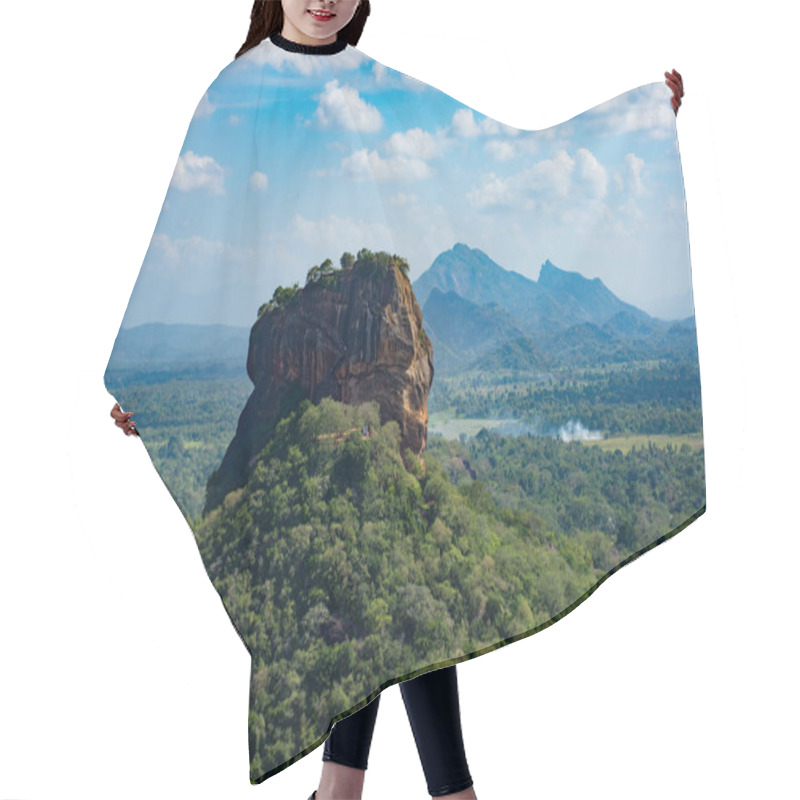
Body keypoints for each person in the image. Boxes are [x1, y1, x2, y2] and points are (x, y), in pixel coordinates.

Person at [110, 2, 686, 798]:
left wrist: (640, 122)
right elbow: (191, 232)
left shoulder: (373, 85)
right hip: (298, 445)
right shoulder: (235, 90)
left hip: (362, 434)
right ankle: (424, 792)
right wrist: (145, 393)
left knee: (393, 591)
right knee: (379, 596)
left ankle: (354, 790)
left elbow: (498, 163)